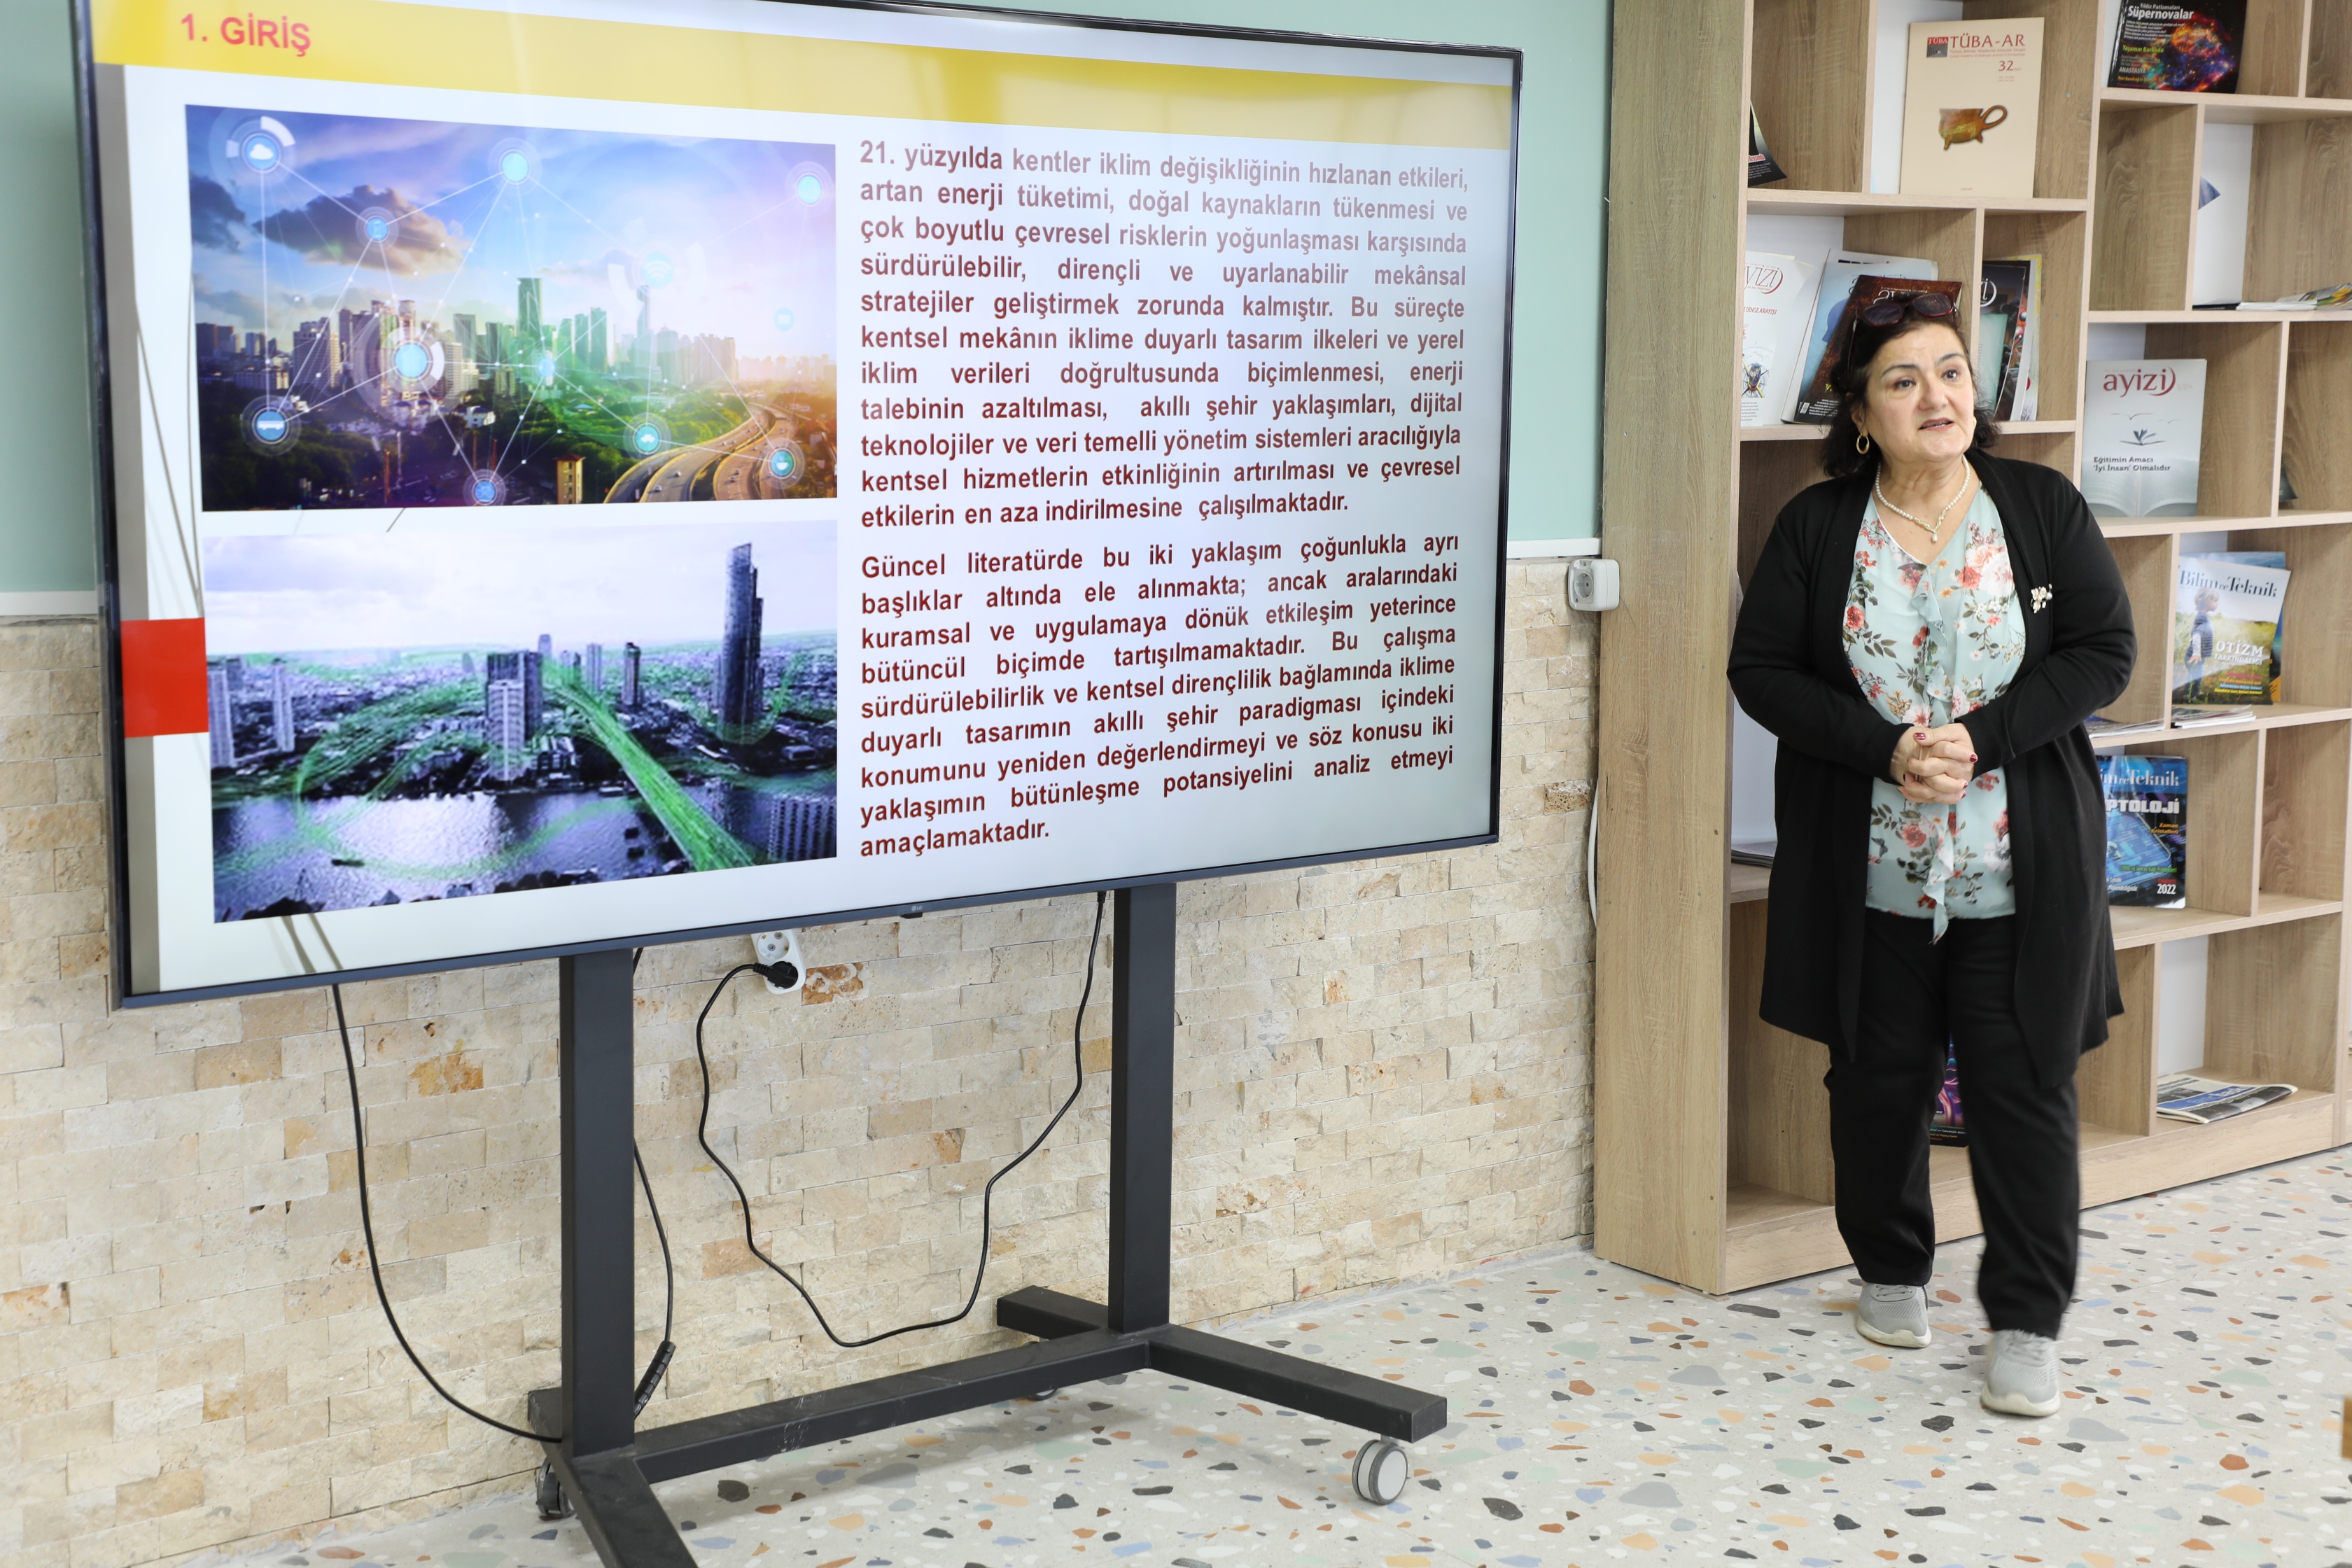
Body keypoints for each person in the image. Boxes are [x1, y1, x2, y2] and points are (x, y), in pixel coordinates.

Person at [1727, 293, 2136, 1418]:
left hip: (2017, 869)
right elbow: (1761, 671)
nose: (1938, 396)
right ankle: (1891, 1267)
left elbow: (2104, 650)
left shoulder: (2040, 507)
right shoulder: (1817, 526)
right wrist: (1883, 751)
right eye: (1903, 381)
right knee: (1877, 1078)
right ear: (1861, 415)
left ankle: (2027, 1323)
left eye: (1952, 372)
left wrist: (1980, 739)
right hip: (1870, 872)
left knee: (2026, 1088)